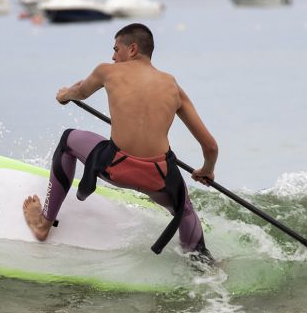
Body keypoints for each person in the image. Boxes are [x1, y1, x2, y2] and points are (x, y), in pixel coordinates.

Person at [22, 23, 218, 260]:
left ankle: (43, 223)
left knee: (68, 140)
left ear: (132, 49)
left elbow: (80, 91)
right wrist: (206, 170)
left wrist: (64, 95)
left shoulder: (107, 71)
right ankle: (201, 262)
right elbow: (210, 146)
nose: (113, 57)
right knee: (184, 209)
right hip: (158, 178)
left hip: (116, 167)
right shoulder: (173, 86)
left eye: (116, 49)